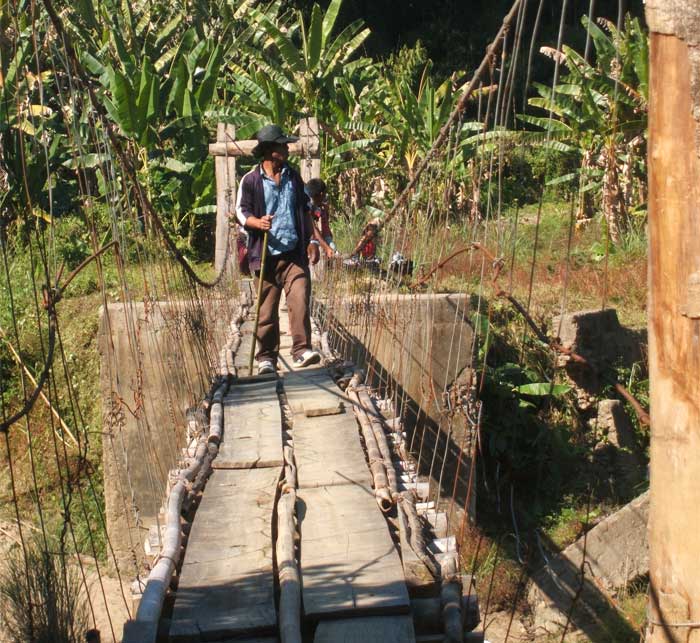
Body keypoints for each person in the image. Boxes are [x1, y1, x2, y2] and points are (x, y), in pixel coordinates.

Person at [235, 124, 321, 374]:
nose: (287, 148)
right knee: (266, 309)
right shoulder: (250, 180)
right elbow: (241, 212)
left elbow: (305, 209)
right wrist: (257, 223)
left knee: (300, 299)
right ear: (271, 151)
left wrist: (312, 242)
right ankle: (266, 357)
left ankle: (301, 350)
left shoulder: (293, 177)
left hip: (293, 253)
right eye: (283, 145)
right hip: (265, 256)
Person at [305, 178, 337, 259]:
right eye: (324, 195)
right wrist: (326, 248)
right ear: (321, 194)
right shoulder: (305, 204)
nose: (324, 198)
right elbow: (313, 228)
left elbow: (319, 216)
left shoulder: (313, 202)